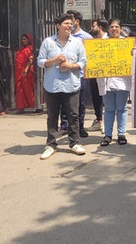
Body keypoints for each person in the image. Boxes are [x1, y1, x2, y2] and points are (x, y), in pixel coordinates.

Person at [37, 13, 87, 160]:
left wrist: (70, 65)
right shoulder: (48, 42)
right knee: (52, 116)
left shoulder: (77, 43)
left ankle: (74, 143)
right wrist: (54, 60)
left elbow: (83, 62)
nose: (69, 26)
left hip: (71, 85)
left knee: (73, 115)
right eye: (66, 24)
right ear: (58, 25)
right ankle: (51, 144)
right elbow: (40, 61)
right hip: (52, 85)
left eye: (71, 24)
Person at [97, 19, 132, 147]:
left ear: (121, 29)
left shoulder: (127, 43)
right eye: (112, 27)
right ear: (108, 29)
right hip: (106, 81)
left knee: (121, 109)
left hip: (122, 81)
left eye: (117, 27)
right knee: (109, 109)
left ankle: (121, 134)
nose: (114, 29)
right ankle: (108, 135)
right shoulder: (101, 43)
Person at [59, 10, 92, 138]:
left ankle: (80, 126)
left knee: (79, 103)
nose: (68, 25)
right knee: (63, 101)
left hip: (80, 75)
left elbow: (91, 57)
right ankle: (64, 126)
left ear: (76, 22)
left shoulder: (87, 37)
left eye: (70, 21)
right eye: (65, 22)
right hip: (64, 74)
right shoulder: (62, 37)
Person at [87, 19, 109, 134]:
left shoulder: (108, 40)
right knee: (95, 97)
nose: (92, 28)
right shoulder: (91, 41)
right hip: (93, 73)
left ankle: (106, 123)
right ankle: (98, 120)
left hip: (106, 75)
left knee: (106, 99)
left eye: (94, 26)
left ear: (100, 27)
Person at [14, 34, 35, 114]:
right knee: (20, 89)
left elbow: (31, 60)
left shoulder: (29, 49)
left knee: (28, 89)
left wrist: (26, 70)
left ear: (29, 40)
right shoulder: (22, 49)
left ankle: (33, 105)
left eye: (25, 39)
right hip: (19, 73)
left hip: (26, 72)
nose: (23, 41)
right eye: (22, 39)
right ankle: (21, 107)